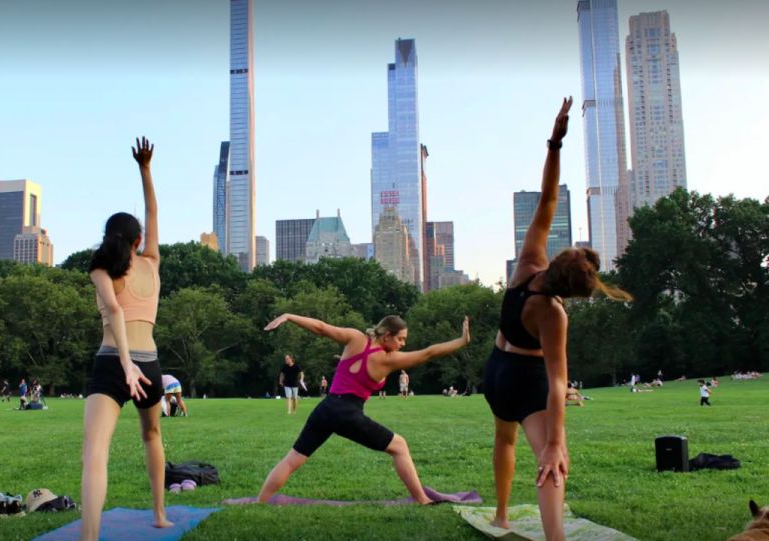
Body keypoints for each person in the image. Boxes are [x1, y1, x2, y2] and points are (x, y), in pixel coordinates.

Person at [482, 98, 631, 540]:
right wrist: (554, 441)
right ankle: (555, 538)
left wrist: (555, 143)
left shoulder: (527, 264)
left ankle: (503, 517)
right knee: (551, 461)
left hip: (495, 372)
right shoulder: (553, 316)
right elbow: (556, 382)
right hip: (526, 382)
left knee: (503, 440)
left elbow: (548, 196)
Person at [256, 313, 470, 504]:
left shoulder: (355, 338)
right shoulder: (388, 360)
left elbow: (321, 328)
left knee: (294, 458)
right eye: (400, 338)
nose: (403, 343)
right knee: (400, 446)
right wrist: (461, 341)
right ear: (386, 335)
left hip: (327, 407)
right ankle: (422, 499)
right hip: (347, 412)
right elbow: (428, 353)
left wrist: (289, 316)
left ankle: (260, 501)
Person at [82, 136, 172, 537]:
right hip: (150, 364)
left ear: (108, 237)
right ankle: (159, 514)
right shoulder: (151, 263)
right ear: (138, 241)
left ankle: (89, 536)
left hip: (113, 363)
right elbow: (153, 211)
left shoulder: (101, 270)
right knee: (151, 434)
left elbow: (115, 311)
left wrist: (123, 364)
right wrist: (145, 169)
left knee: (95, 453)